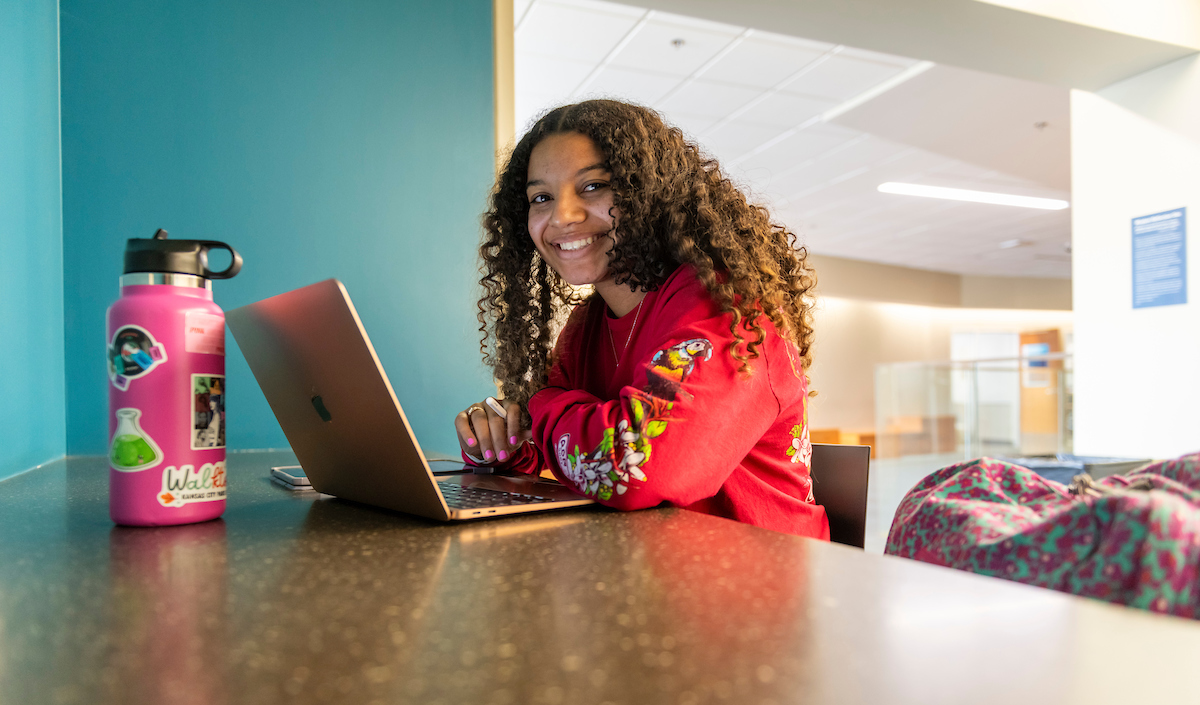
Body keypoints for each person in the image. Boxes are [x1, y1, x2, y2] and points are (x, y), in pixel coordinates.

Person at [455, 99, 828, 539]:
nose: (562, 215)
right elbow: (559, 455)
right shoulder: (587, 325)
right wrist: (501, 445)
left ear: (648, 192)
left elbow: (636, 467)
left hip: (763, 587)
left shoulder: (730, 307)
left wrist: (539, 407)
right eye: (541, 197)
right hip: (647, 571)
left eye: (593, 186)